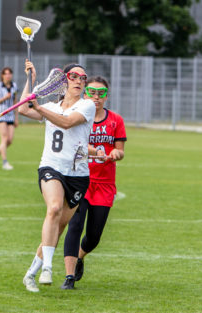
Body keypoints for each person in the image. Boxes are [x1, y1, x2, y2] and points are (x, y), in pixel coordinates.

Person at [19, 61, 96, 292]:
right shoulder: (52, 105)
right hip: (51, 167)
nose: (79, 81)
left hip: (78, 174)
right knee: (53, 209)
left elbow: (66, 122)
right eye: (74, 76)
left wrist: (41, 108)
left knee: (59, 226)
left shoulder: (87, 106)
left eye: (83, 78)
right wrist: (30, 80)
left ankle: (31, 273)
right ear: (65, 79)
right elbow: (23, 108)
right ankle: (48, 268)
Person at [61, 76, 126, 290]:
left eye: (101, 93)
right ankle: (69, 277)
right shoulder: (78, 118)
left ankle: (80, 257)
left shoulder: (116, 120)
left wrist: (116, 153)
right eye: (92, 92)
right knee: (75, 225)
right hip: (80, 179)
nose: (96, 97)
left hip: (105, 184)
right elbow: (72, 145)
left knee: (94, 237)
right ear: (85, 93)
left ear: (107, 96)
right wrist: (95, 152)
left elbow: (120, 150)